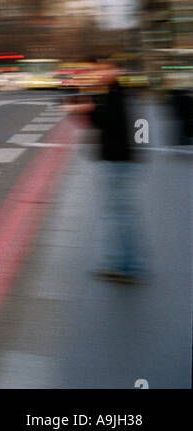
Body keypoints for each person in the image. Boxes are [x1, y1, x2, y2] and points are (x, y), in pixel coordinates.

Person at [86, 64, 145, 283]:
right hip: (121, 160)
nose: (99, 73)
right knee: (120, 214)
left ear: (115, 72)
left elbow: (110, 123)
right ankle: (123, 263)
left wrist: (89, 110)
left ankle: (126, 266)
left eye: (104, 69)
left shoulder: (115, 95)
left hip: (116, 162)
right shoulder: (117, 94)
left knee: (118, 215)